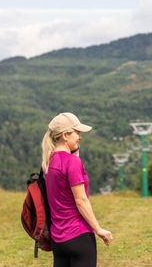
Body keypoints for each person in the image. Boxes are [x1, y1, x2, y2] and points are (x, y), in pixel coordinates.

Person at [42, 112, 113, 267]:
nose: (80, 136)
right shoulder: (72, 162)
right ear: (65, 135)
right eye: (77, 132)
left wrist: (74, 156)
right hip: (78, 236)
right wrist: (98, 229)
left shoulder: (49, 162)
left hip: (58, 240)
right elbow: (80, 200)